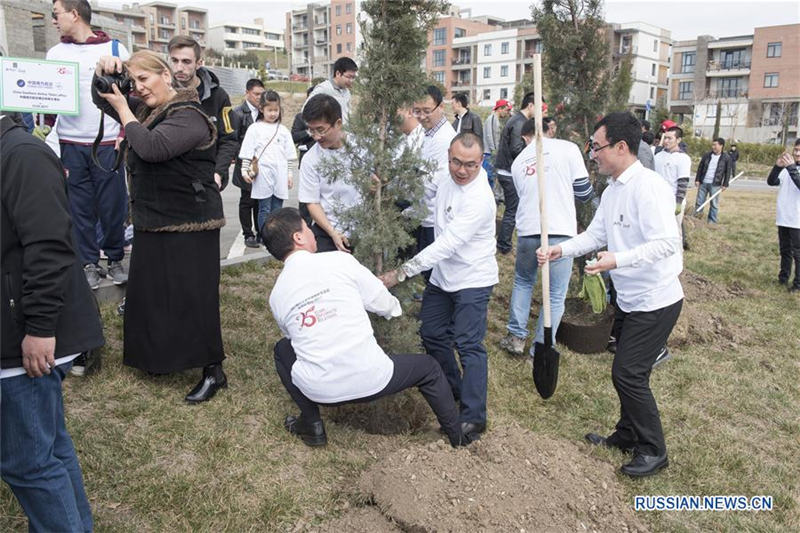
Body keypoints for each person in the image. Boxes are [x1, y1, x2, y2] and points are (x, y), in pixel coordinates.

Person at [537, 112, 683, 477]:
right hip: (630, 299)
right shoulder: (613, 189)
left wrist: (619, 260)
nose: (593, 155)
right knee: (629, 372)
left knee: (628, 373)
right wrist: (562, 250)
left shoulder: (648, 187)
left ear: (621, 147)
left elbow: (667, 243)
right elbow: (596, 235)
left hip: (656, 299)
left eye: (597, 147)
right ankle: (627, 434)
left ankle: (653, 450)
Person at [264, 208, 469, 448]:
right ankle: (457, 437)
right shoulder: (337, 260)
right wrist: (395, 310)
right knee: (430, 369)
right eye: (307, 228)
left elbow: (294, 337)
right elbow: (381, 302)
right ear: (298, 238)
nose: (311, 232)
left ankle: (312, 423)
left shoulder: (276, 295)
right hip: (373, 378)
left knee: (283, 349)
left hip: (319, 390)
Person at [93, 50, 227, 403]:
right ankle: (158, 359)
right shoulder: (147, 112)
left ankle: (213, 370)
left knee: (193, 299)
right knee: (151, 296)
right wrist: (106, 73)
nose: (137, 88)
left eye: (144, 79)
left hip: (192, 222)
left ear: (166, 76)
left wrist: (125, 110)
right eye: (133, 82)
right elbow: (102, 98)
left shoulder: (190, 115)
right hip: (154, 220)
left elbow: (152, 148)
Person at [1, 113, 104, 531]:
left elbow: (50, 247)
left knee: (29, 463)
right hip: (17, 330)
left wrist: (40, 329)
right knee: (48, 450)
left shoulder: (21, 154)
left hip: (23, 338)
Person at [381, 133, 498, 441]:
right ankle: (455, 389)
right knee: (431, 332)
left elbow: (446, 244)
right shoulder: (445, 176)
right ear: (448, 156)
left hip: (473, 278)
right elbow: (421, 192)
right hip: (443, 277)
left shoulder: (480, 199)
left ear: (482, 161)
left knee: (468, 344)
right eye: (456, 162)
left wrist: (402, 272)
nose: (462, 170)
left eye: (471, 165)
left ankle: (474, 417)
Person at [47, 0, 129, 290]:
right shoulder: (55, 53)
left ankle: (116, 259)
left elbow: (129, 98)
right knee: (79, 208)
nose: (53, 20)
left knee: (112, 206)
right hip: (71, 142)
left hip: (107, 143)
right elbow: (49, 102)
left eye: (56, 14)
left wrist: (123, 134)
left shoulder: (115, 49)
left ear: (74, 13)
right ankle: (89, 263)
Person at [499, 119, 594, 356]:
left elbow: (524, 195)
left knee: (523, 280)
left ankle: (516, 336)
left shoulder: (518, 162)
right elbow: (583, 193)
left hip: (530, 229)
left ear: (525, 137)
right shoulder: (569, 148)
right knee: (554, 293)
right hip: (561, 230)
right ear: (549, 131)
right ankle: (541, 348)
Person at [167, 35, 238, 191]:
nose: (179, 68)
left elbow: (229, 139)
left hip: (206, 183)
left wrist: (218, 173)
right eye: (174, 60)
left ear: (199, 63)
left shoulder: (219, 96)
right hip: (169, 184)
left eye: (186, 61)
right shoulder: (160, 93)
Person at [298, 94, 361, 252]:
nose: (316, 136)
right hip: (328, 231)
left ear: (338, 123)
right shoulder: (311, 159)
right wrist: (333, 233)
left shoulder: (362, 148)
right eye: (311, 130)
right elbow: (312, 202)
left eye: (321, 130)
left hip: (364, 231)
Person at [411, 85, 457, 280]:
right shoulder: (425, 133)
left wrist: (405, 191)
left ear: (440, 108)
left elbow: (431, 184)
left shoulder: (445, 139)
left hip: (435, 215)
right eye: (417, 111)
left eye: (427, 111)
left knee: (434, 270)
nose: (422, 116)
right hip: (423, 212)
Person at [238, 90, 296, 234]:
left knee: (277, 209)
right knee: (264, 208)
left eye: (276, 110)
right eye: (269, 110)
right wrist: (244, 170)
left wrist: (289, 175)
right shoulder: (254, 129)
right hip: (263, 173)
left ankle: (276, 236)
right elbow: (247, 153)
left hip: (280, 173)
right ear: (261, 109)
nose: (273, 113)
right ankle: (265, 235)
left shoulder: (283, 130)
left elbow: (288, 156)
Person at [494, 91, 538, 254]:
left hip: (507, 169)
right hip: (508, 171)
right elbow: (516, 149)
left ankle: (504, 242)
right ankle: (504, 245)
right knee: (512, 209)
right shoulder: (520, 123)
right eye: (538, 106)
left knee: (512, 208)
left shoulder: (519, 120)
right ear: (530, 105)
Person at [231, 78, 266, 248]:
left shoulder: (264, 113)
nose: (260, 97)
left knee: (259, 200)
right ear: (247, 93)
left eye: (262, 94)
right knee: (247, 200)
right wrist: (244, 157)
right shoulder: (237, 113)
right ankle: (248, 234)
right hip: (244, 164)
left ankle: (261, 232)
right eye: (256, 94)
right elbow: (233, 140)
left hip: (261, 165)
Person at [766, 140, 800, 293]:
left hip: (797, 219)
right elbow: (771, 181)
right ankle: (783, 277)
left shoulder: (792, 168)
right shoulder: (787, 169)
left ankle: (798, 284)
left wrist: (792, 168)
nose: (797, 153)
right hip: (784, 217)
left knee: (797, 253)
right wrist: (777, 167)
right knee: (785, 250)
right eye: (796, 150)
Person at [654, 126, 691, 251]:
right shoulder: (658, 156)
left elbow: (683, 182)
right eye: (665, 138)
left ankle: (677, 258)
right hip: (657, 200)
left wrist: (678, 202)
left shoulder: (683, 158)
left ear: (678, 140)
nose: (666, 141)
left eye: (670, 138)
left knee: (675, 231)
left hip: (673, 201)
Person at [292, 85, 317, 226]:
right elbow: (294, 136)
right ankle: (305, 226)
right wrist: (308, 133)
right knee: (306, 197)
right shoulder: (301, 117)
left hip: (325, 162)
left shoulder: (329, 118)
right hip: (307, 159)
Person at [303, 56, 358, 124]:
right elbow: (305, 111)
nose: (351, 80)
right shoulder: (324, 88)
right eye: (349, 77)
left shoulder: (347, 92)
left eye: (353, 77)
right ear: (338, 73)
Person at [694, 137, 733, 223]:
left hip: (715, 184)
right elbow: (700, 168)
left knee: (714, 204)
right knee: (699, 202)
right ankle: (696, 219)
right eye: (712, 145)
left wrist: (725, 184)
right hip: (703, 182)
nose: (713, 147)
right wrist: (697, 179)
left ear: (721, 146)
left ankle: (711, 221)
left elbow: (728, 172)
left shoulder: (726, 158)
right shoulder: (707, 155)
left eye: (715, 145)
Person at [482, 99, 511, 191]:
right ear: (500, 109)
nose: (507, 112)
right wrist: (495, 151)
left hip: (491, 154)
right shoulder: (492, 118)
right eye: (506, 110)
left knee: (492, 178)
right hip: (489, 154)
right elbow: (490, 135)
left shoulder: (495, 119)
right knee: (489, 178)